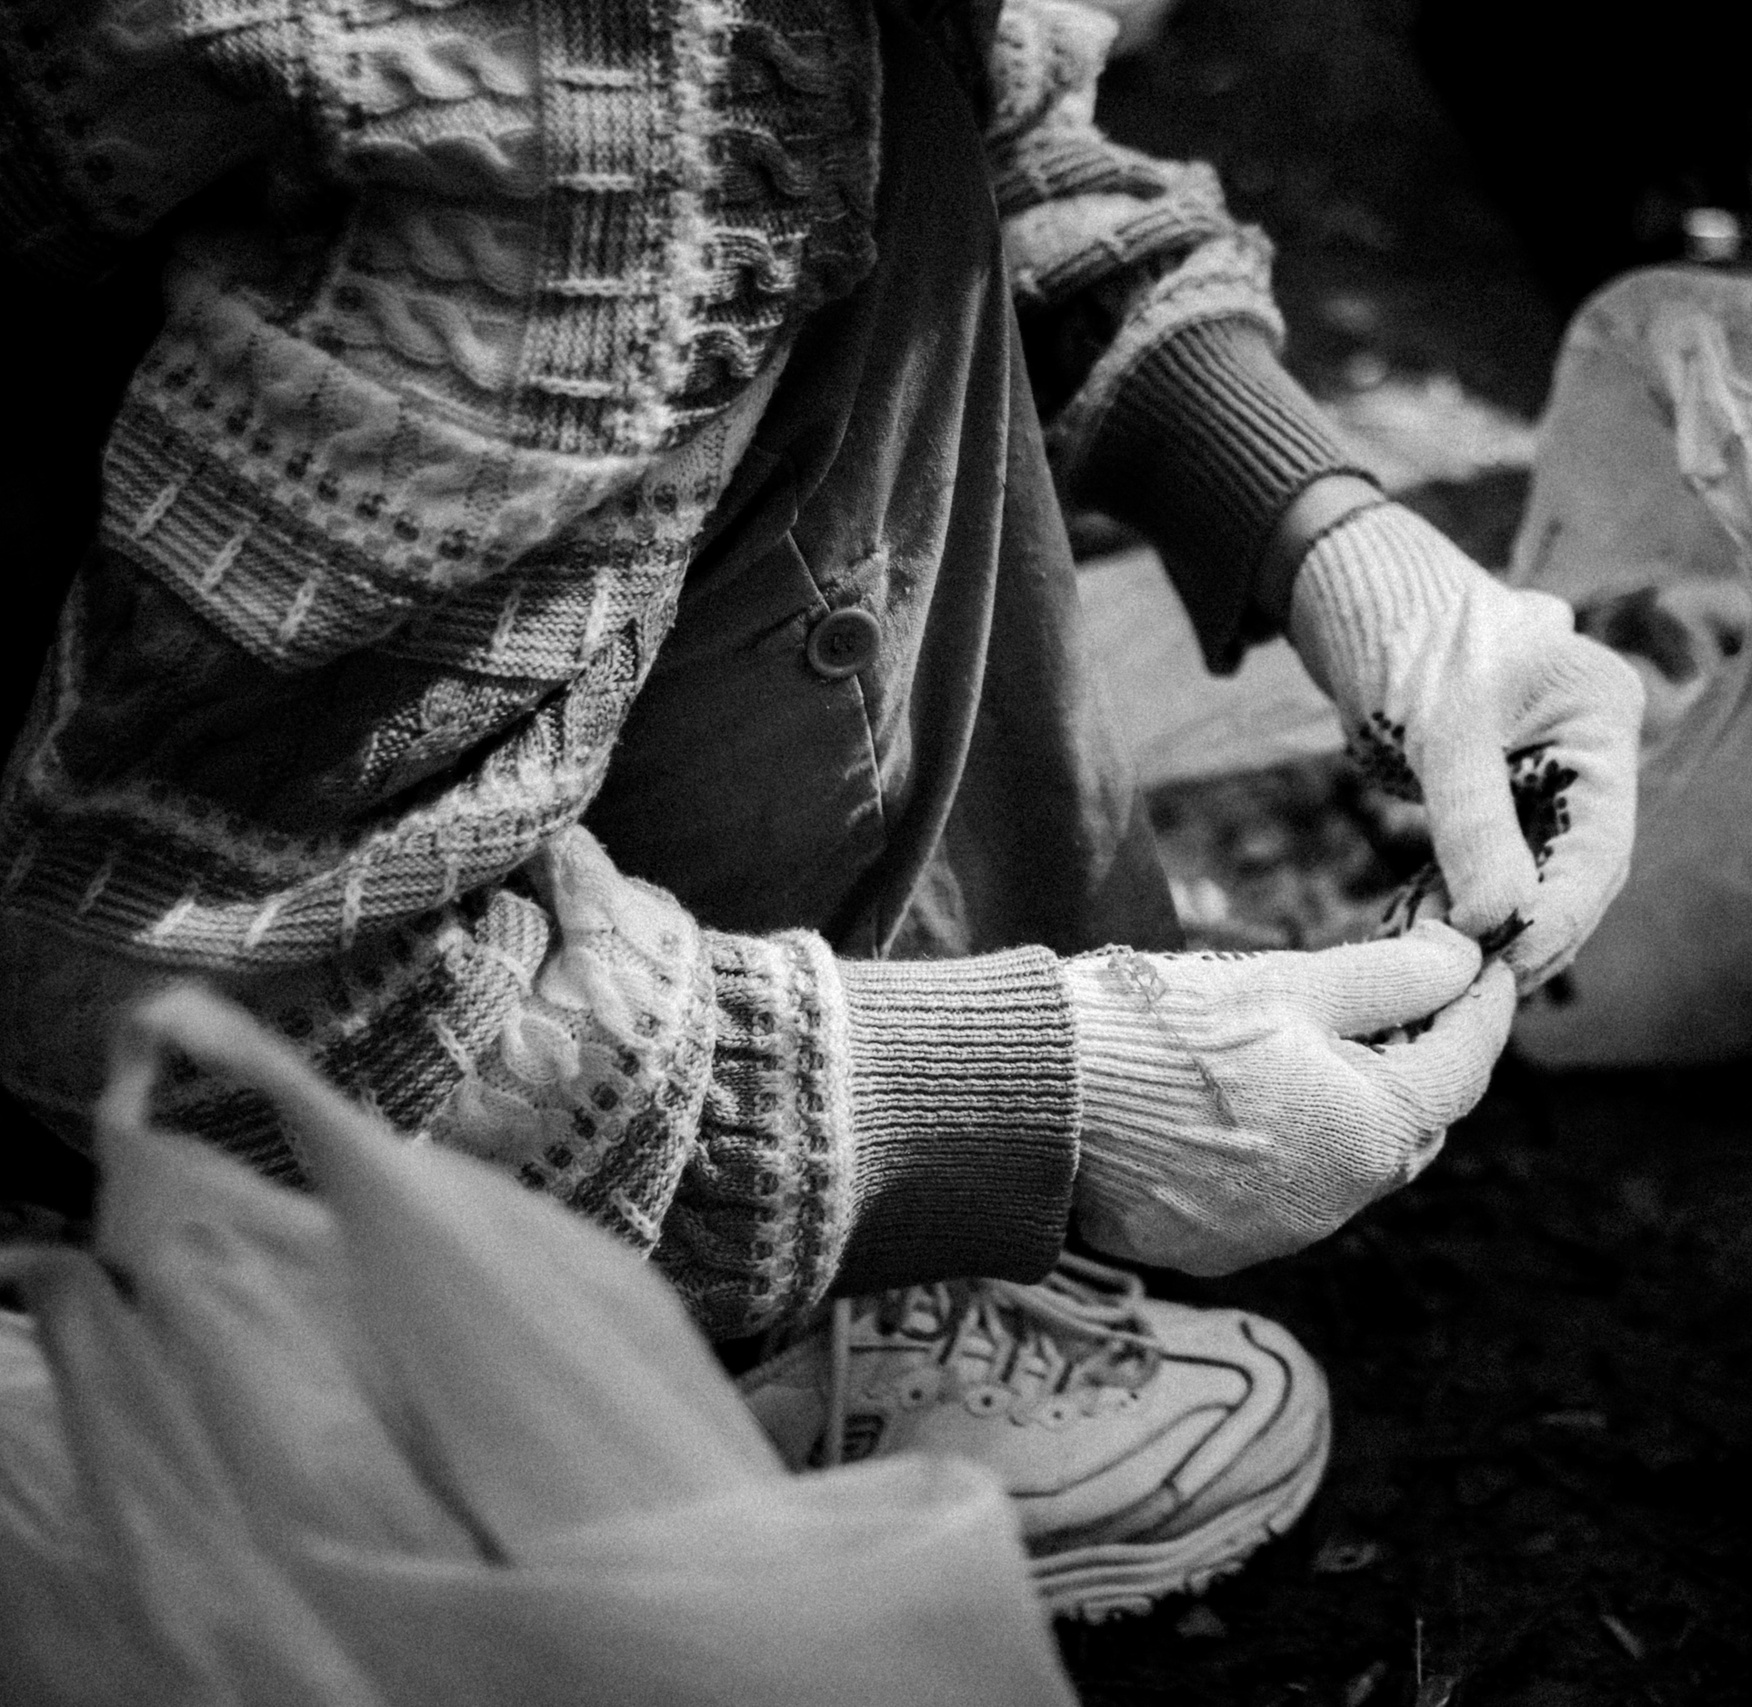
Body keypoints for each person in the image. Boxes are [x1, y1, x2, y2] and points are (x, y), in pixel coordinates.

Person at [0, 0, 1641, 1621]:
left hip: (199, 626)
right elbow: (177, 1011)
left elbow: (938, 97)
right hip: (129, 964)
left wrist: (1308, 519)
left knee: (866, 165)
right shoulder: (596, 98)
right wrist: (997, 1108)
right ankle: (682, 1369)